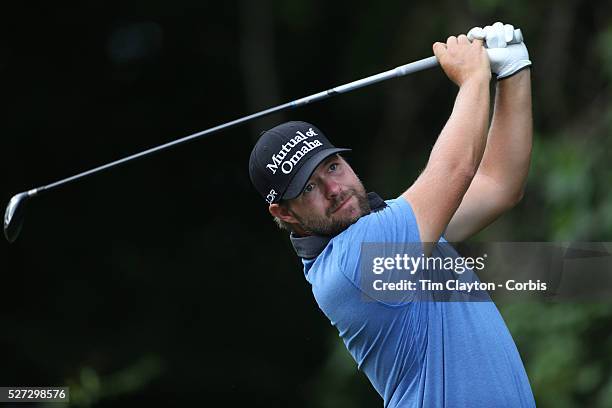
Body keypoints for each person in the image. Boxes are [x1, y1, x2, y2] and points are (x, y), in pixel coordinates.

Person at [249, 22, 534, 407]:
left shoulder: (404, 228)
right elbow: (455, 171)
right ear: (284, 212)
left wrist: (513, 71)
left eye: (332, 167)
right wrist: (472, 78)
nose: (334, 189)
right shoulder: (353, 262)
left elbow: (498, 184)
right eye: (309, 188)